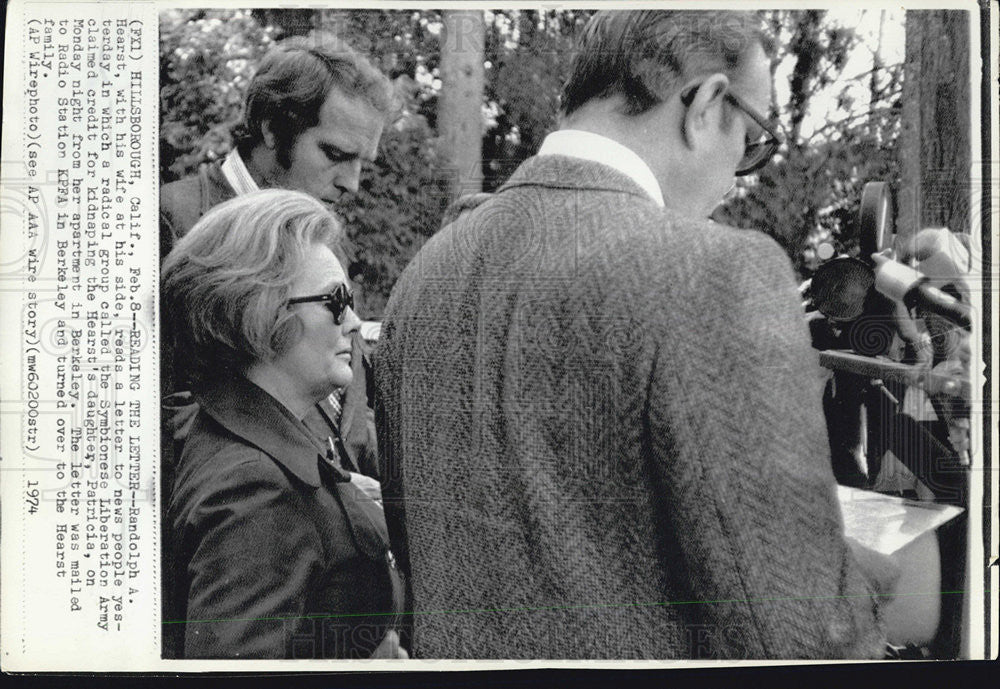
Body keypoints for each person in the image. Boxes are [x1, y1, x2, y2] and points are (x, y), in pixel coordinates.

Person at [375, 11, 891, 658]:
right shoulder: (715, 270)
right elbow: (803, 632)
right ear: (704, 103)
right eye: (754, 142)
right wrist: (882, 587)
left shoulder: (427, 271)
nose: (740, 174)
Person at [161, 190, 406, 659]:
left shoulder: (252, 443)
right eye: (337, 301)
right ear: (262, 311)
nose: (354, 323)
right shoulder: (253, 485)